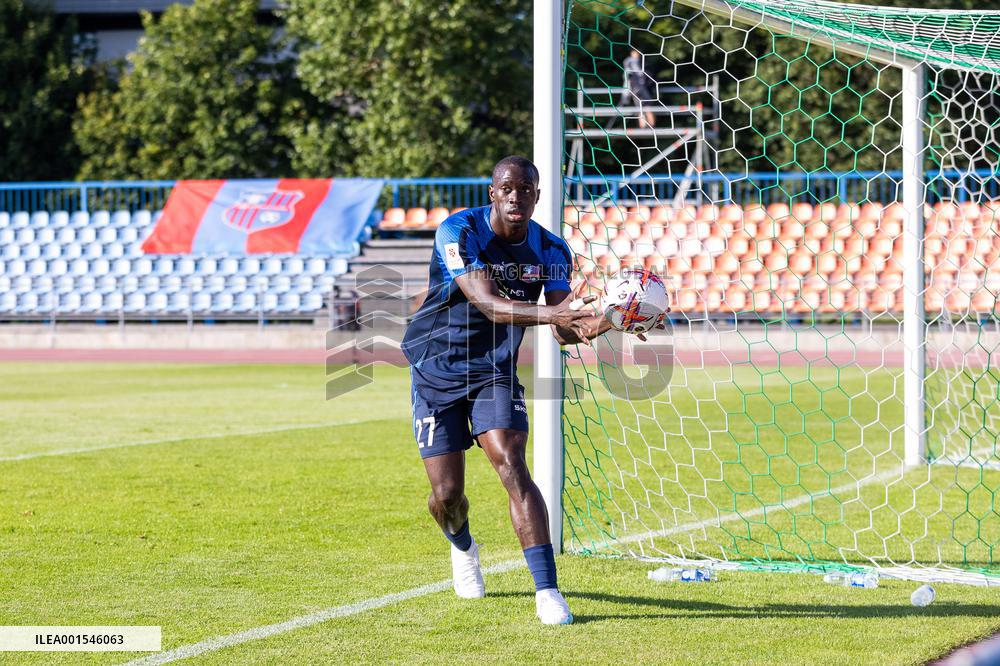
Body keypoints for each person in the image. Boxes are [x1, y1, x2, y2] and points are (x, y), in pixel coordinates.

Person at [400, 156, 612, 625]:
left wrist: (609, 320)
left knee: (512, 462)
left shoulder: (553, 251)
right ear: (493, 193)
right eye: (507, 188)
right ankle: (463, 546)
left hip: (494, 371)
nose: (517, 196)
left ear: (538, 196)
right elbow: (490, 305)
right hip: (436, 367)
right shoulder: (459, 231)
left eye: (526, 189)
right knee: (448, 496)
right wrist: (557, 316)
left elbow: (563, 329)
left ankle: (548, 592)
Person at [623, 48, 656, 129]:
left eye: (637, 53)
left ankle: (651, 126)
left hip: (644, 90)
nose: (636, 55)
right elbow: (627, 77)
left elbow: (649, 77)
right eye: (635, 53)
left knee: (647, 107)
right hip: (637, 89)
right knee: (640, 108)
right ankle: (644, 126)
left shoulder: (643, 64)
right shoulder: (630, 63)